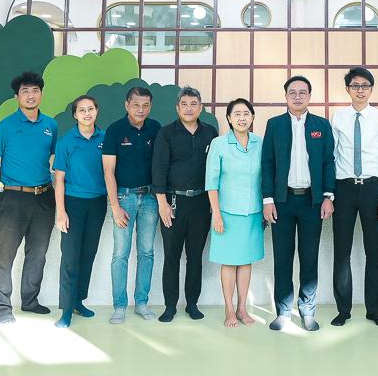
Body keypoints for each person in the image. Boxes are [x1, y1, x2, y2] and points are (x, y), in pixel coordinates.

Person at [259, 75, 334, 332]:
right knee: (282, 258)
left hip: (312, 201)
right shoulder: (275, 125)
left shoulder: (321, 125)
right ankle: (283, 312)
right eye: (293, 92)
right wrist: (268, 200)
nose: (298, 96)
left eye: (303, 92)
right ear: (286, 96)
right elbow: (267, 163)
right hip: (282, 201)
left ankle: (307, 311)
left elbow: (328, 161)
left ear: (310, 96)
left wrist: (328, 196)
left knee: (309, 258)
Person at [0, 70, 59, 324]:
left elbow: (51, 156)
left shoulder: (51, 125)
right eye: (25, 91)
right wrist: (0, 186)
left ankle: (30, 301)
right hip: (13, 198)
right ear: (17, 96)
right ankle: (2, 308)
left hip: (44, 197)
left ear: (41, 94)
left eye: (35, 91)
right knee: (4, 255)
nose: (30, 95)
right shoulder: (3, 127)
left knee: (38, 252)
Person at [329, 66, 378, 327]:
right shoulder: (338, 117)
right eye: (355, 86)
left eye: (365, 86)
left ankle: (374, 310)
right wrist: (329, 194)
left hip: (373, 189)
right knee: (341, 252)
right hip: (343, 189)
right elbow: (332, 156)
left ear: (371, 89)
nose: (360, 90)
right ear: (348, 89)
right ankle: (343, 310)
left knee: (374, 252)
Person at [152, 86, 217, 322]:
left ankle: (192, 304)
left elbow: (216, 168)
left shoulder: (210, 133)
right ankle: (170, 306)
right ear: (177, 108)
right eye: (184, 104)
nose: (189, 109)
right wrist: (162, 203)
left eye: (193, 104)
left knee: (195, 256)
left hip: (201, 203)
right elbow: (158, 168)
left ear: (201, 107)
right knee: (171, 256)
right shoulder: (166, 133)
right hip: (173, 202)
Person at [103, 84, 162, 323]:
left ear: (151, 106)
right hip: (124, 198)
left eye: (145, 105)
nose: (141, 109)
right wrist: (115, 206)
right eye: (136, 105)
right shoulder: (115, 130)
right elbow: (108, 172)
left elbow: (162, 165)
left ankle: (142, 303)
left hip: (150, 198)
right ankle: (119, 306)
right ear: (127, 105)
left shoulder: (156, 128)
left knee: (146, 252)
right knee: (121, 253)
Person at [207, 98, 265, 328]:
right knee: (229, 262)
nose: (242, 118)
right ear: (229, 119)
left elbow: (266, 176)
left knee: (246, 261)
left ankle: (242, 308)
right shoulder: (219, 144)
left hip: (253, 212)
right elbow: (211, 183)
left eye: (246, 113)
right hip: (227, 213)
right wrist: (217, 215)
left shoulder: (260, 142)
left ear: (252, 117)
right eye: (237, 114)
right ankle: (229, 309)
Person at [53, 95, 108, 328]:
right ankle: (66, 310)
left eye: (91, 109)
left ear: (97, 111)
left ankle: (78, 301)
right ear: (75, 115)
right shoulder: (66, 142)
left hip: (98, 203)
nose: (87, 113)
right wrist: (61, 212)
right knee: (70, 257)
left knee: (88, 254)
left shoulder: (105, 139)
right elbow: (59, 180)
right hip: (73, 204)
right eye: (82, 110)